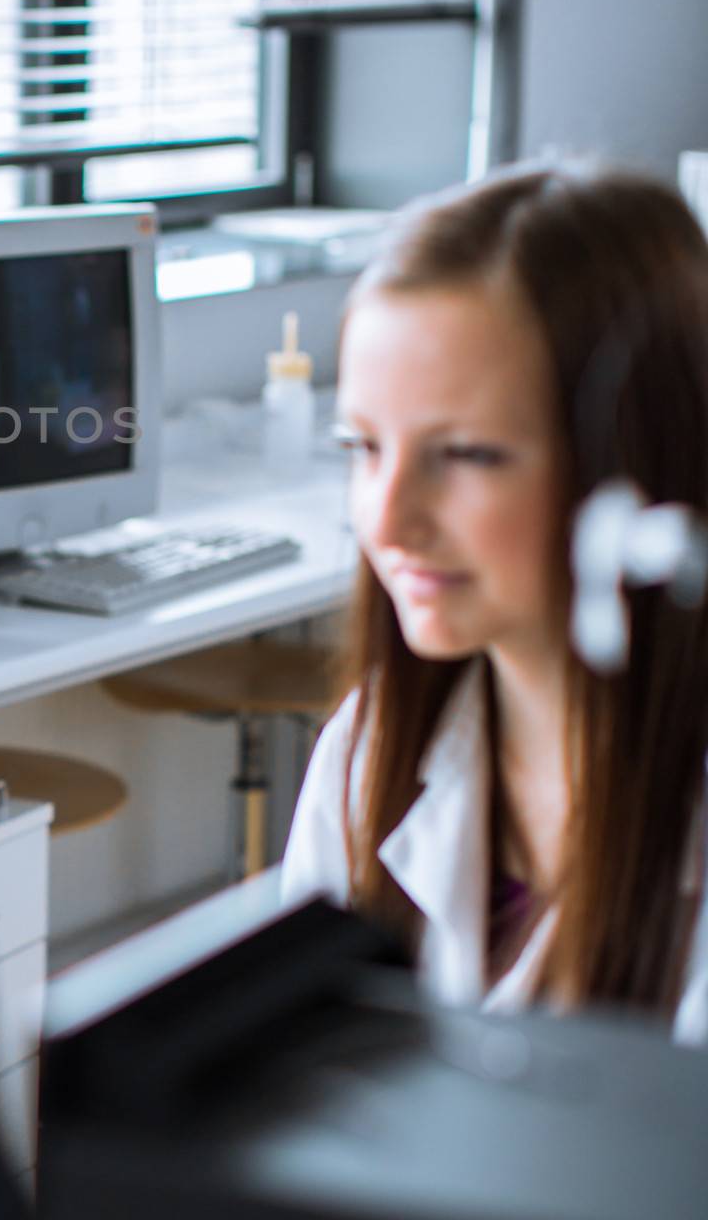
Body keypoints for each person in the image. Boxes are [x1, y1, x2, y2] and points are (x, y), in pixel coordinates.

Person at [283, 165, 708, 1040]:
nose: (389, 520)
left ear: (638, 467)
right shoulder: (367, 755)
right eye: (364, 447)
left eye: (468, 455)